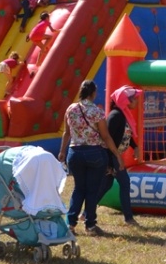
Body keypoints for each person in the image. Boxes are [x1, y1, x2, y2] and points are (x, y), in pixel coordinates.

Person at [59, 80, 122, 236]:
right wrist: (116, 154)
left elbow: (66, 133)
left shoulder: (71, 109)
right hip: (94, 153)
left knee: (78, 188)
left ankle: (70, 223)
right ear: (93, 93)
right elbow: (106, 136)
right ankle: (90, 225)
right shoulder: (97, 112)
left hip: (74, 152)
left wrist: (62, 151)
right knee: (92, 191)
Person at [99, 86, 141, 226]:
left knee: (106, 184)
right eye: (134, 99)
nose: (136, 101)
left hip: (114, 157)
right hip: (112, 157)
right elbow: (107, 139)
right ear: (126, 100)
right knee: (125, 183)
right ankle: (128, 218)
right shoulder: (115, 116)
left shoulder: (123, 114)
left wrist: (135, 147)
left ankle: (86, 212)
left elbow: (125, 134)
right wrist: (111, 162)